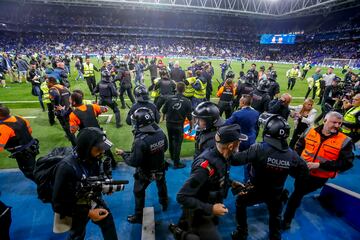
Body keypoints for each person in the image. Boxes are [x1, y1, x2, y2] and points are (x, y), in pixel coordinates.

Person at [231, 114, 309, 240]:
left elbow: (235, 160)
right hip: (276, 192)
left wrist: (235, 147)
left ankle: (242, 232)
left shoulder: (258, 148)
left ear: (269, 131)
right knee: (276, 216)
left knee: (240, 202)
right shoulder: (292, 155)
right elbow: (303, 173)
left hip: (255, 189)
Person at [171, 124, 248, 240]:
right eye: (239, 141)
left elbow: (216, 177)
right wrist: (211, 209)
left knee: (196, 224)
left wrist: (230, 183)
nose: (240, 143)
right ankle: (180, 234)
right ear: (231, 146)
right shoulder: (205, 168)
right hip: (199, 210)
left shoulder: (224, 155)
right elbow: (182, 197)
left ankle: (180, 228)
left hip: (209, 203)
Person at [282, 111, 354, 230]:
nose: (337, 126)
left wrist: (320, 165)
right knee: (297, 194)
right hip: (302, 171)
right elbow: (299, 145)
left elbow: (347, 163)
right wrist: (298, 161)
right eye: (334, 122)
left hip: (319, 177)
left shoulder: (344, 141)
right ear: (325, 121)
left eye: (339, 123)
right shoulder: (310, 131)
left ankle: (285, 209)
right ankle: (286, 218)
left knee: (298, 194)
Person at [52, 127, 118, 240]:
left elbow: (94, 176)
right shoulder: (66, 168)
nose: (102, 152)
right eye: (98, 149)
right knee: (77, 235)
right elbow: (58, 204)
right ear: (87, 148)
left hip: (92, 198)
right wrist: (89, 213)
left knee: (108, 222)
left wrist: (103, 185)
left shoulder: (93, 158)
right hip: (76, 208)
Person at [116, 107, 169, 224]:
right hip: (160, 167)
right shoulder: (160, 132)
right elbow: (165, 148)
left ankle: (139, 215)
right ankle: (164, 203)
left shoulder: (139, 141)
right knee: (161, 185)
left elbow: (134, 162)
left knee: (138, 192)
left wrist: (124, 155)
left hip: (145, 172)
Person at [0, 104, 39, 181]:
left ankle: (48, 188)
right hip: (32, 147)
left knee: (30, 173)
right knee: (34, 168)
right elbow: (30, 131)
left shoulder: (3, 127)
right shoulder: (20, 118)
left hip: (23, 154)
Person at [225, 94, 259, 182]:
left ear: (243, 102)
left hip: (239, 140)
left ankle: (225, 176)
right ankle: (248, 181)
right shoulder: (256, 113)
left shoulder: (237, 114)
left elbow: (226, 124)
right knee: (249, 162)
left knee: (228, 158)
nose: (239, 102)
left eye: (240, 101)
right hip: (251, 139)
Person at [162, 82, 192, 168]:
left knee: (171, 140)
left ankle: (172, 157)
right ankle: (176, 163)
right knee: (178, 144)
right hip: (179, 125)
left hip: (169, 124)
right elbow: (190, 117)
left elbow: (163, 111)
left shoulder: (169, 99)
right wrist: (191, 127)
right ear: (184, 89)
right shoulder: (187, 101)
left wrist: (164, 119)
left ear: (176, 88)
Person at [47, 76, 76, 146]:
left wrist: (57, 105)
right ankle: (71, 137)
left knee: (66, 127)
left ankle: (75, 145)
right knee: (69, 125)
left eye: (47, 82)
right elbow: (71, 95)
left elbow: (56, 95)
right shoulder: (64, 87)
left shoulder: (52, 89)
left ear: (51, 82)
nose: (47, 84)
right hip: (68, 109)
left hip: (61, 111)